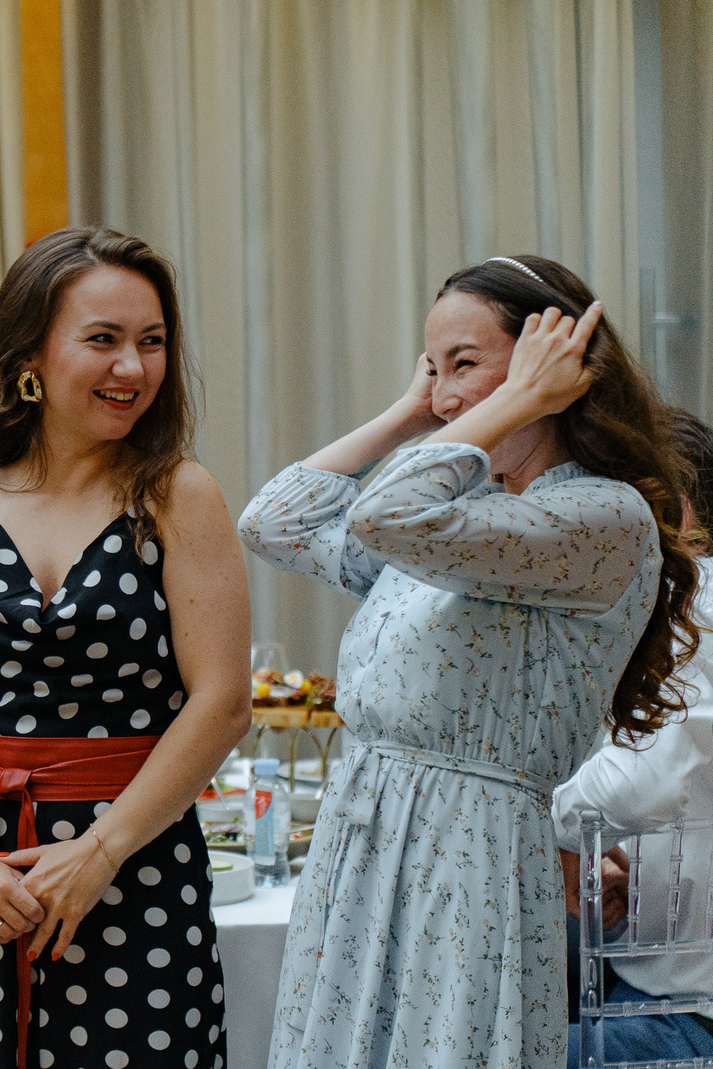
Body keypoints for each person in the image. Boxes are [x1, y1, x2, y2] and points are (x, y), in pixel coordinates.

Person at [239, 255, 700, 1069]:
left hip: (467, 857)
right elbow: (273, 522)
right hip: (366, 839)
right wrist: (412, 412)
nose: (444, 393)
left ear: (552, 365)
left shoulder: (599, 516)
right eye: (431, 367)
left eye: (463, 364)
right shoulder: (467, 513)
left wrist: (518, 399)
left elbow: (383, 515)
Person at [0, 226, 254, 1069]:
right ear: (30, 354)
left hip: (138, 866)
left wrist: (99, 852)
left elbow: (223, 703)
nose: (133, 367)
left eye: (152, 342)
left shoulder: (178, 494)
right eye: (103, 339)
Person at [552, 407, 713, 1066]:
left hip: (689, 1012)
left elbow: (642, 783)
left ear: (671, 510)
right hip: (650, 973)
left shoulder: (692, 602)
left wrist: (548, 826)